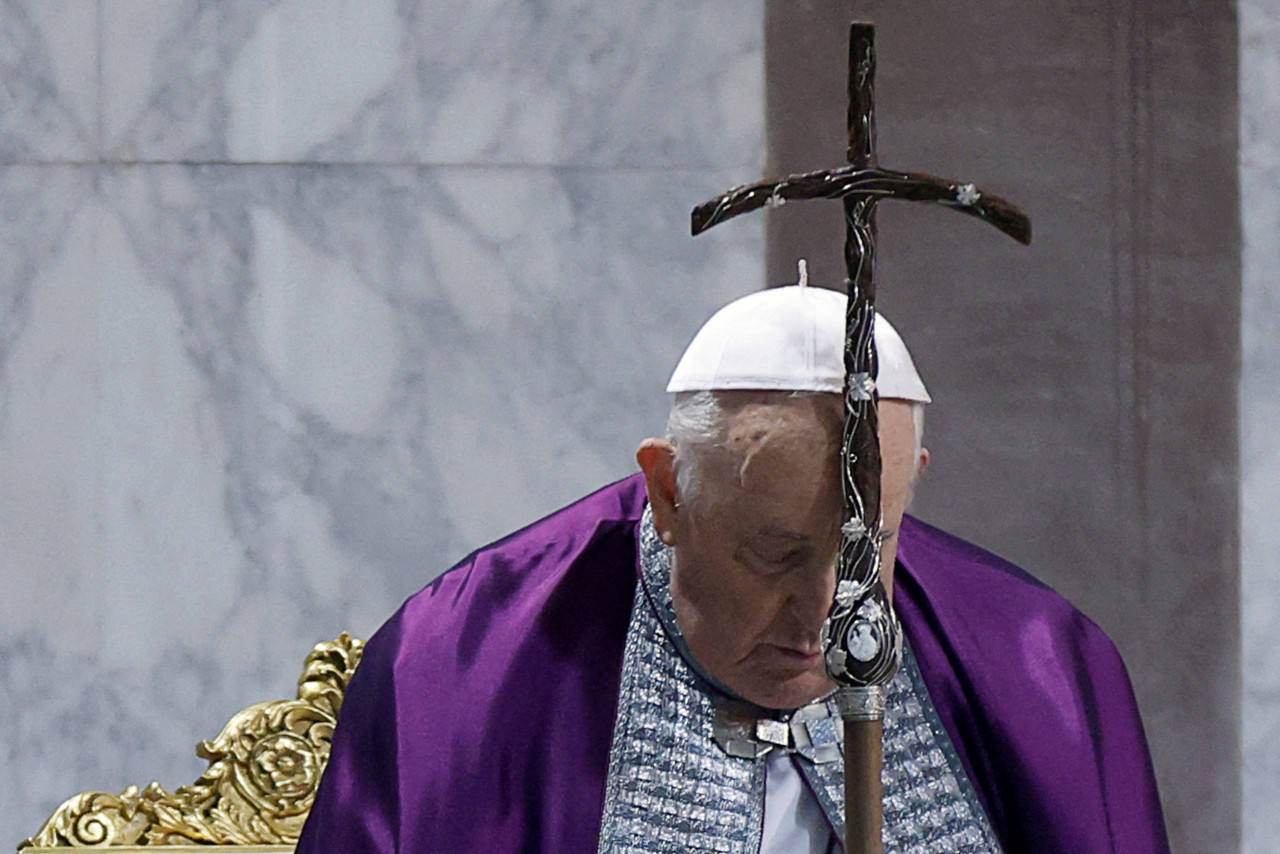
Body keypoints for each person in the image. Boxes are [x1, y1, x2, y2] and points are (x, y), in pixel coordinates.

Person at [295, 285, 1170, 854]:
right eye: (776, 554)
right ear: (669, 491)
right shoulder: (460, 667)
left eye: (871, 551)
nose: (827, 617)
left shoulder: (1041, 667)